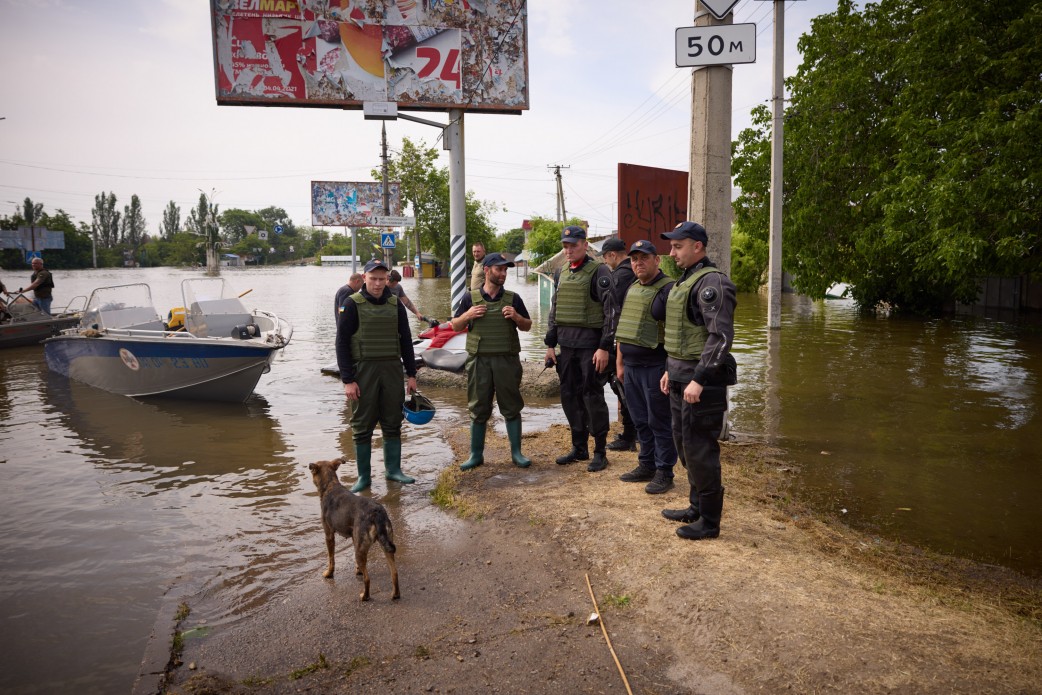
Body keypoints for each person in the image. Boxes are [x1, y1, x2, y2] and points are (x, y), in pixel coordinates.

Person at [658, 221, 738, 540]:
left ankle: (710, 521)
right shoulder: (686, 280)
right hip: (679, 377)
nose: (672, 252)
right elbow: (681, 336)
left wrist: (700, 379)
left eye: (678, 246)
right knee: (684, 445)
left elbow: (720, 337)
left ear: (698, 247)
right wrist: (670, 370)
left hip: (700, 384)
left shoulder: (713, 282)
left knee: (700, 449)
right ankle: (696, 506)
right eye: (671, 245)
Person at [335, 259, 420, 492]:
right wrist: (348, 380)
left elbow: (406, 341)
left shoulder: (395, 305)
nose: (378, 283)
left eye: (382, 279)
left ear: (387, 280)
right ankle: (364, 477)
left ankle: (393, 471)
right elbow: (341, 343)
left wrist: (411, 374)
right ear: (364, 278)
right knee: (362, 425)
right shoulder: (351, 304)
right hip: (363, 372)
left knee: (393, 421)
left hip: (392, 370)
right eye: (373, 278)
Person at [543, 225, 617, 472]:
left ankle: (600, 451)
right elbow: (555, 309)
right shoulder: (560, 272)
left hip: (590, 347)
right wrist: (550, 345)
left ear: (585, 245)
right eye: (565, 246)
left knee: (592, 397)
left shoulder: (600, 271)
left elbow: (611, 313)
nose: (569, 250)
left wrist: (605, 347)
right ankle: (579, 448)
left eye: (573, 245)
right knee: (569, 397)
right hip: (567, 347)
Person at [451, 252, 533, 470]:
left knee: (511, 407)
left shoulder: (513, 299)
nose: (503, 273)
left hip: (506, 360)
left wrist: (516, 317)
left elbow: (528, 326)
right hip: (479, 362)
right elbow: (455, 326)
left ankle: (517, 453)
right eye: (499, 269)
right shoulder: (470, 298)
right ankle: (476, 455)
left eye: (506, 270)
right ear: (487, 270)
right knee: (478, 408)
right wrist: (467, 315)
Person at [614, 240, 677, 495]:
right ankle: (646, 465)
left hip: (655, 367)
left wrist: (669, 369)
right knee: (640, 420)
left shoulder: (668, 290)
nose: (638, 263)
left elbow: (677, 334)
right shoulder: (632, 288)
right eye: (634, 259)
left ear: (657, 260)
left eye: (643, 258)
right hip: (631, 368)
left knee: (659, 422)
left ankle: (665, 472)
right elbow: (623, 329)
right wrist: (619, 362)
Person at [599, 237, 638, 452]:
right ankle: (636, 433)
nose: (605, 262)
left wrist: (605, 343)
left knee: (621, 385)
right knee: (631, 387)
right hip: (638, 339)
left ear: (612, 255)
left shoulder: (619, 276)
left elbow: (612, 313)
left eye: (605, 258)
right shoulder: (636, 272)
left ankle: (630, 436)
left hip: (621, 340)